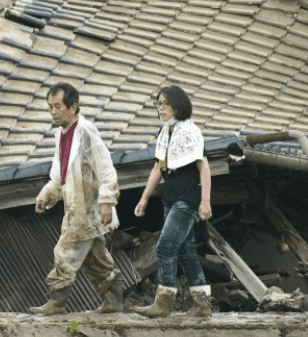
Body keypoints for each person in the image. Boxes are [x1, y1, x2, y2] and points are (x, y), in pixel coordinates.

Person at [30, 82, 123, 315]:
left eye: (58, 106)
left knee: (65, 252)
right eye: (50, 107)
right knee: (96, 259)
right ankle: (114, 301)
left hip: (87, 208)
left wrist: (107, 200)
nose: (53, 112)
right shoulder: (60, 135)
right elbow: (60, 174)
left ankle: (57, 303)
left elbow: (106, 167)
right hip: (76, 207)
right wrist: (48, 194)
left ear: (73, 107)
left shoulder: (85, 131)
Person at [132, 85, 212, 319]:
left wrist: (205, 201)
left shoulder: (191, 132)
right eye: (158, 104)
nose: (161, 108)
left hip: (188, 200)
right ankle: (202, 305)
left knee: (165, 247)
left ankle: (163, 303)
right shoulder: (165, 133)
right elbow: (159, 167)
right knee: (186, 252)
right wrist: (144, 198)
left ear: (178, 105)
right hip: (171, 199)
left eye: (165, 103)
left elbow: (204, 167)